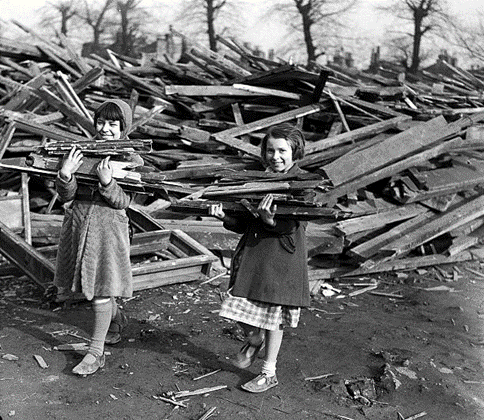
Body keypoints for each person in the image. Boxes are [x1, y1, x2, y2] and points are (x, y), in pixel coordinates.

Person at [208, 123, 309, 393]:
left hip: (281, 261)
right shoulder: (258, 179)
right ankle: (253, 339)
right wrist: (225, 218)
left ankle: (269, 372)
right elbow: (244, 223)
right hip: (253, 257)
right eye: (270, 150)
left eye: (282, 151)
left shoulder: (304, 184)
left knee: (274, 316)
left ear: (294, 151)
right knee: (236, 305)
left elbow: (294, 226)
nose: (275, 157)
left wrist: (271, 220)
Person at [54, 99, 136, 376]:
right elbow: (68, 196)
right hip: (79, 224)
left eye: (113, 124)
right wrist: (66, 176)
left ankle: (95, 353)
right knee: (95, 287)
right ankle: (116, 318)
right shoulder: (81, 151)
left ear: (124, 127)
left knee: (100, 290)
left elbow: (124, 201)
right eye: (101, 122)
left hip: (107, 231)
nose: (105, 129)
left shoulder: (132, 158)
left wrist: (107, 182)